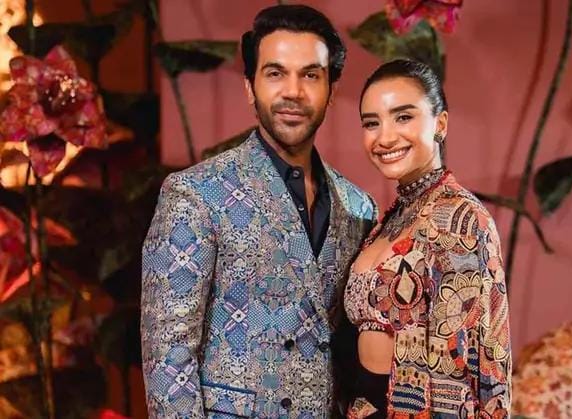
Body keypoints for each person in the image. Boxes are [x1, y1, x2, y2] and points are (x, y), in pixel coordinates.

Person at [140, 5, 377, 418]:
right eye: (275, 73)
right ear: (250, 87)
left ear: (331, 90)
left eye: (310, 75)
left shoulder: (358, 206)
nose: (293, 91)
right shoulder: (196, 193)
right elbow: (167, 359)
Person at [342, 60, 511, 418]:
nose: (385, 137)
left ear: (441, 124)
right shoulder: (389, 218)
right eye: (372, 123)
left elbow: (478, 362)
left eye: (403, 117)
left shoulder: (459, 218)